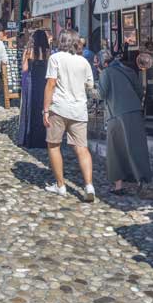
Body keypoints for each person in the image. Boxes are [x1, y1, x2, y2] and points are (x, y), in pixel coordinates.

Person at [42, 29, 96, 202]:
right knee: (82, 148)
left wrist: (45, 109)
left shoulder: (55, 58)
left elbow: (51, 84)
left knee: (54, 145)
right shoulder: (83, 62)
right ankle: (89, 185)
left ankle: (61, 185)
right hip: (79, 109)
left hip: (58, 107)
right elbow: (89, 85)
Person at [96, 50, 153, 195]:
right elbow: (140, 91)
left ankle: (119, 185)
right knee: (137, 147)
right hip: (135, 111)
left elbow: (101, 94)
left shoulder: (106, 72)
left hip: (116, 114)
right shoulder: (129, 70)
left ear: (104, 63)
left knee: (115, 149)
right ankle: (142, 181)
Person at [16, 29, 50, 148]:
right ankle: (42, 138)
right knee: (41, 108)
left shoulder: (28, 51)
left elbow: (24, 69)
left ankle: (28, 138)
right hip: (43, 83)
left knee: (29, 108)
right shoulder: (48, 52)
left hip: (30, 82)